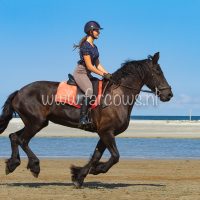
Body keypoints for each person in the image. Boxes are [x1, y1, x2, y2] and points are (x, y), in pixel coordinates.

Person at [73, 21, 112, 127]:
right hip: (80, 73)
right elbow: (90, 66)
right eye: (97, 30)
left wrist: (108, 74)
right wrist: (103, 74)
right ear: (90, 31)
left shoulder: (94, 47)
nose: (99, 32)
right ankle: (82, 118)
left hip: (88, 74)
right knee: (89, 92)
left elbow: (98, 65)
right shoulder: (85, 46)